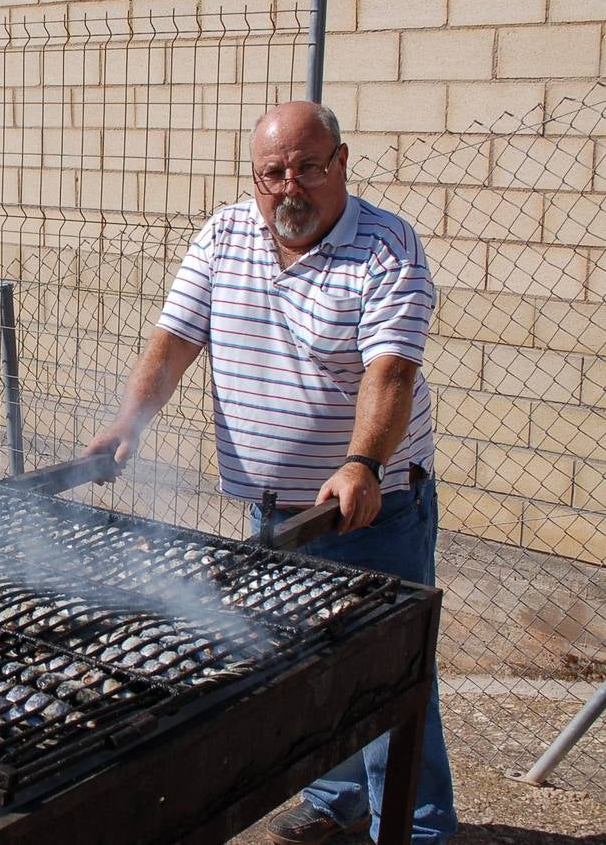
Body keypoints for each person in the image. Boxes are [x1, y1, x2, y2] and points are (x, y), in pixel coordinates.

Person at [84, 101, 457, 843]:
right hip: (273, 508)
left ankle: (418, 830)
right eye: (272, 173)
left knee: (385, 672)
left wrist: (361, 464)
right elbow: (173, 341)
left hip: (367, 510)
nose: (291, 187)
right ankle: (334, 798)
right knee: (301, 659)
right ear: (254, 179)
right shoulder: (224, 233)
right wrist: (128, 423)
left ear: (341, 163)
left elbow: (390, 371)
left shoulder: (386, 247)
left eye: (308, 167)